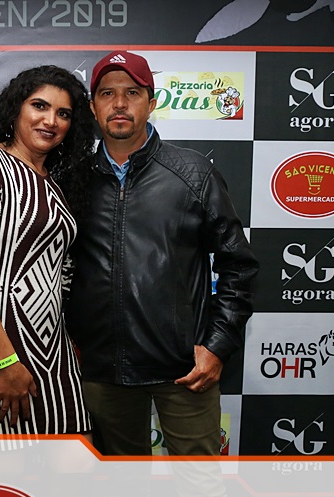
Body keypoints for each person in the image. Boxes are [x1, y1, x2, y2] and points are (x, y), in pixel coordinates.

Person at [67, 51, 259, 456]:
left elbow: (239, 265)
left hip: (184, 368)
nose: (120, 104)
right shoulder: (72, 179)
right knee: (118, 484)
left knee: (199, 485)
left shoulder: (193, 173)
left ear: (152, 103)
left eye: (133, 93)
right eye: (107, 94)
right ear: (93, 107)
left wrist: (217, 344)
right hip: (102, 371)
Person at [0, 65, 95, 438]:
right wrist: (6, 361)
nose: (51, 121)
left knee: (77, 457)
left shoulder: (55, 184)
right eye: (39, 106)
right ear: (16, 109)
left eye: (63, 114)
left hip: (52, 349)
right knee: (7, 469)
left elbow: (58, 272)